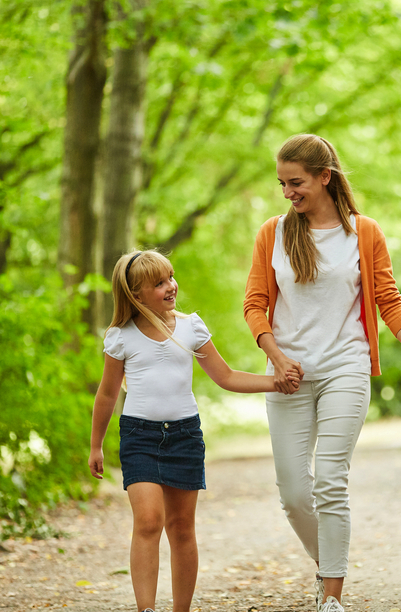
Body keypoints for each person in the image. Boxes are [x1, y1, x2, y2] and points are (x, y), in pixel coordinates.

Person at [243, 134, 401, 612]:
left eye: (296, 182)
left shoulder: (363, 233)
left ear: (325, 177)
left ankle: (332, 597)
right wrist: (277, 357)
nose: (288, 192)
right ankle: (327, 562)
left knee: (329, 477)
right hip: (286, 374)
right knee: (292, 490)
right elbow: (255, 305)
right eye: (282, 183)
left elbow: (389, 302)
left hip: (345, 367)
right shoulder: (274, 233)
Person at [89, 249, 294, 612]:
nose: (171, 286)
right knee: (149, 521)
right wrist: (96, 446)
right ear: (136, 295)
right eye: (159, 283)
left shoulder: (191, 327)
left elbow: (226, 376)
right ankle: (146, 608)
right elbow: (106, 395)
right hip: (139, 437)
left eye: (170, 277)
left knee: (181, 528)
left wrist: (274, 381)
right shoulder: (121, 337)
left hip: (185, 436)